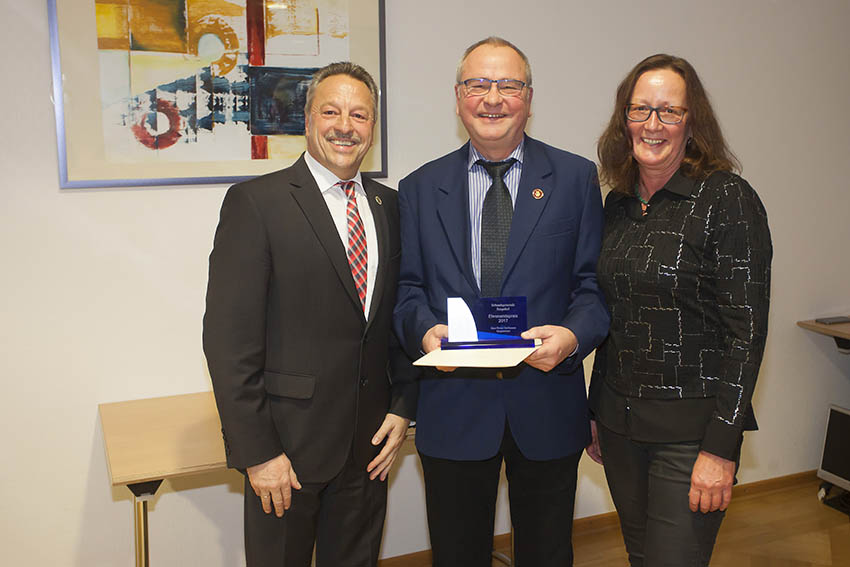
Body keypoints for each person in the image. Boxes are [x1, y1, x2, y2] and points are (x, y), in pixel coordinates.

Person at [393, 37, 610, 567]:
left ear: (529, 98)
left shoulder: (575, 180)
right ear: (458, 96)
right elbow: (407, 291)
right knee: (457, 554)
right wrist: (424, 330)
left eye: (508, 85)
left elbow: (594, 290)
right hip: (454, 407)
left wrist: (572, 336)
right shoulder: (419, 188)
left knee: (547, 552)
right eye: (478, 84)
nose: (493, 98)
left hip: (546, 402)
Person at [203, 61, 417, 567]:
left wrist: (404, 405)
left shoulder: (392, 207)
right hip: (287, 452)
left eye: (360, 114)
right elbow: (229, 343)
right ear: (307, 119)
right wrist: (258, 453)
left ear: (372, 127)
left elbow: (400, 318)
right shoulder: (257, 203)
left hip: (368, 450)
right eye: (331, 111)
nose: (345, 125)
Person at [588, 54, 772, 567]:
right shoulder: (619, 205)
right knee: (642, 558)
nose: (653, 124)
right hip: (620, 427)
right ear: (624, 121)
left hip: (691, 438)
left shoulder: (726, 200)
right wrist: (594, 410)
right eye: (640, 110)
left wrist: (720, 447)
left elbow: (746, 335)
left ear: (693, 123)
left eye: (669, 112)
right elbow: (614, 316)